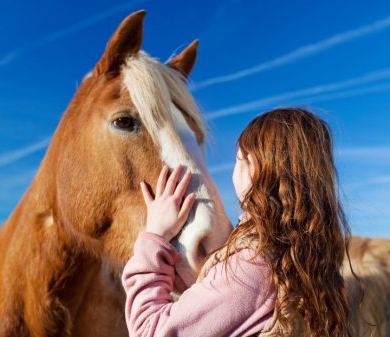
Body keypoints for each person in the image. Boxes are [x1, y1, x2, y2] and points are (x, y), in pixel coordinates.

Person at [122, 107, 352, 337]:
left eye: (238, 159)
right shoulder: (305, 261)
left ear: (253, 167)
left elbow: (149, 332)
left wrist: (154, 237)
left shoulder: (252, 265)